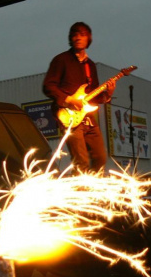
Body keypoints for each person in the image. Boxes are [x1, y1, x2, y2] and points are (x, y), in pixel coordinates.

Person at [43, 22, 115, 172]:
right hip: (69, 117)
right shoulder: (61, 60)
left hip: (88, 117)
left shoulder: (91, 66)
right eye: (74, 35)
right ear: (71, 38)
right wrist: (68, 100)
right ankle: (78, 192)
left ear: (88, 38)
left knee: (100, 157)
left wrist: (107, 95)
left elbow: (93, 97)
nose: (77, 38)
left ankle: (92, 191)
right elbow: (48, 86)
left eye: (82, 35)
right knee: (81, 161)